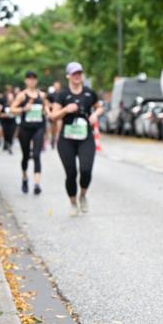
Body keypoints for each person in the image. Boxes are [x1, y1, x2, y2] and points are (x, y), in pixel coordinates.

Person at [49, 62, 103, 216]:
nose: (77, 76)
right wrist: (65, 110)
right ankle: (73, 203)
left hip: (85, 137)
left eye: (79, 73)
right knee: (71, 173)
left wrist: (95, 114)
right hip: (67, 139)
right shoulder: (62, 94)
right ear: (68, 76)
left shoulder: (89, 93)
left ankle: (83, 195)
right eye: (74, 73)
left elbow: (99, 106)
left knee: (86, 170)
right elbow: (53, 116)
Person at [9, 71, 49, 195]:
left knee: (37, 155)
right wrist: (23, 109)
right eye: (29, 79)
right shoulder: (22, 95)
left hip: (38, 128)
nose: (32, 81)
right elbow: (11, 109)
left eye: (34, 79)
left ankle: (37, 184)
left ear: (36, 80)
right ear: (25, 81)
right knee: (26, 156)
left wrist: (48, 112)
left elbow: (46, 107)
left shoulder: (41, 95)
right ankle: (25, 178)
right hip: (25, 129)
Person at [0, 86, 18, 155]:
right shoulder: (4, 106)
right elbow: (0, 114)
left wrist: (14, 113)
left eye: (11, 98)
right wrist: (6, 115)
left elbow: (18, 113)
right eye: (9, 98)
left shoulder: (15, 105)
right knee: (6, 134)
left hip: (13, 122)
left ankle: (10, 145)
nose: (10, 99)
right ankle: (6, 143)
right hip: (5, 122)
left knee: (11, 134)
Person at [46, 80, 63, 148]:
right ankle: (53, 139)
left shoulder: (62, 94)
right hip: (53, 114)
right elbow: (46, 103)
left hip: (60, 113)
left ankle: (59, 141)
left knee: (59, 127)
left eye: (58, 85)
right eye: (55, 85)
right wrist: (52, 105)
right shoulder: (51, 95)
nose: (57, 86)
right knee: (53, 129)